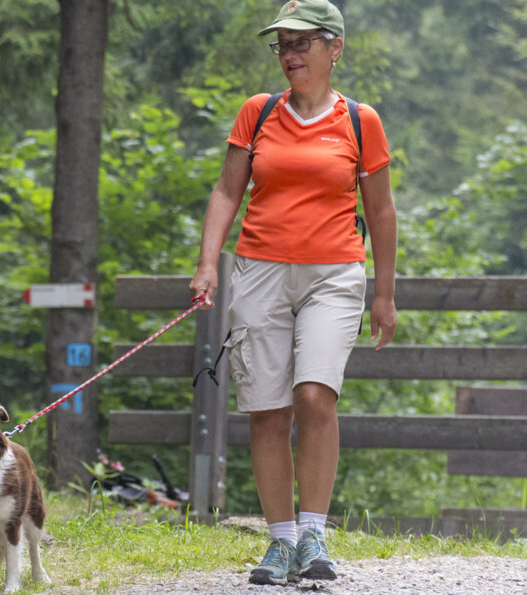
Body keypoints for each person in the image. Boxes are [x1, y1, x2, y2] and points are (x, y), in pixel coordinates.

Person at [188, 0, 398, 586]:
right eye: (282, 43)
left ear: (335, 48)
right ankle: (278, 543)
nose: (290, 54)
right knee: (267, 407)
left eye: (302, 42)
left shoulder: (361, 120)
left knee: (314, 396)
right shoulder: (257, 113)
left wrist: (384, 294)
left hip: (334, 273)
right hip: (259, 271)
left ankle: (313, 533)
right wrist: (209, 263)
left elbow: (380, 212)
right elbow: (227, 193)